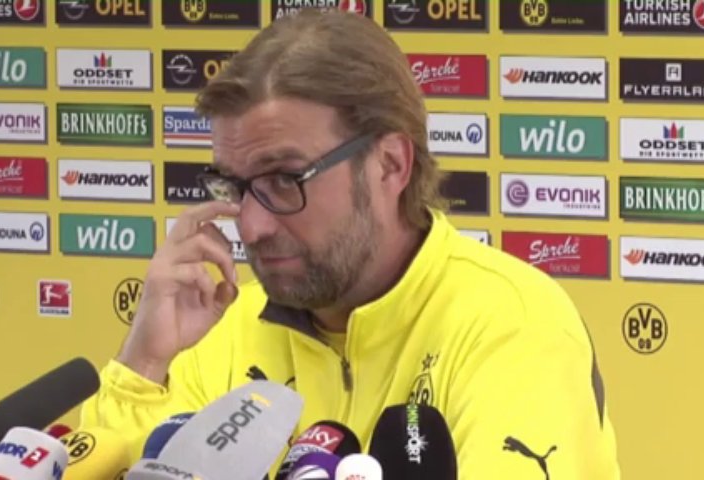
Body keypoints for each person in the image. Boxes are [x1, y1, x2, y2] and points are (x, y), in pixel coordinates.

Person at [80, 8, 620, 479]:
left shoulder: (511, 323)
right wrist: (146, 362)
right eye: (236, 188)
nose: (251, 226)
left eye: (284, 179)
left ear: (390, 164)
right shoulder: (223, 327)